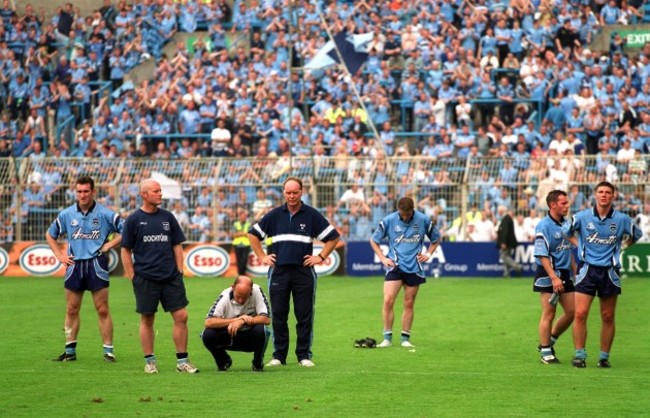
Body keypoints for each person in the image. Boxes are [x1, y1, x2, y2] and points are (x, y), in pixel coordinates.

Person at [247, 176, 340, 367]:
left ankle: (304, 355)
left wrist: (320, 257)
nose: (291, 196)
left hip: (303, 272)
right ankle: (279, 356)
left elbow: (333, 237)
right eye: (288, 192)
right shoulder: (274, 215)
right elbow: (253, 234)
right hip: (278, 272)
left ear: (301, 192)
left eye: (295, 192)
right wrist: (262, 256)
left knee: (304, 314)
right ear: (283, 193)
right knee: (279, 315)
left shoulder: (312, 215)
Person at [121, 179, 199, 374]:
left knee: (182, 316)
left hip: (171, 277)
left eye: (160, 190)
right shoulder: (133, 220)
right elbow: (125, 250)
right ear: (144, 195)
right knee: (147, 318)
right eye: (156, 191)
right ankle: (150, 362)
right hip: (145, 278)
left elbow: (176, 244)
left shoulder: (168, 217)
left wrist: (179, 269)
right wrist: (132, 276)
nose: (160, 194)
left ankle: (182, 362)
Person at [563, 181, 643, 368]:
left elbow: (636, 235)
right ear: (595, 195)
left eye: (608, 192)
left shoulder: (622, 219)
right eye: (601, 192)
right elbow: (566, 231)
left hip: (609, 272)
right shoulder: (582, 217)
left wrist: (622, 247)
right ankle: (579, 355)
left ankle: (604, 357)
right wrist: (579, 245)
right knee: (581, 313)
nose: (604, 195)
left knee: (607, 316)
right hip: (587, 270)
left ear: (613, 196)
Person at [45, 176, 123, 362]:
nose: (82, 195)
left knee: (102, 309)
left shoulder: (105, 214)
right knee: (72, 309)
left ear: (93, 192)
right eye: (79, 191)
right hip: (74, 265)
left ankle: (108, 351)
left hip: (96, 264)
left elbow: (126, 230)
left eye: (86, 191)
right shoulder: (66, 214)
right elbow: (50, 234)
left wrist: (108, 246)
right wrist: (59, 255)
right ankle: (70, 351)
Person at [369, 197, 441, 348]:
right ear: (398, 210)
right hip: (395, 266)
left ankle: (405, 338)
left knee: (409, 303)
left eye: (408, 214)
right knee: (388, 300)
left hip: (414, 267)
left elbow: (436, 238)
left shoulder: (423, 220)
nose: (405, 217)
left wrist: (428, 254)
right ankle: (387, 338)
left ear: (412, 210)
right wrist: (382, 258)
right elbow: (373, 240)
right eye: (402, 214)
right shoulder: (389, 220)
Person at [533, 190, 576, 364]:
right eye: (563, 203)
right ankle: (545, 352)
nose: (567, 206)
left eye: (567, 203)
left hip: (565, 273)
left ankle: (549, 341)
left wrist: (575, 269)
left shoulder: (566, 225)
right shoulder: (543, 225)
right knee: (549, 313)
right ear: (553, 205)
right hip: (548, 273)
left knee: (572, 313)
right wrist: (553, 277)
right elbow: (542, 255)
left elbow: (568, 251)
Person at [201, 276, 271, 372]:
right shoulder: (225, 296)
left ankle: (257, 362)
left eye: (245, 297)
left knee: (262, 330)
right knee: (207, 334)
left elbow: (266, 319)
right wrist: (236, 320)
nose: (241, 300)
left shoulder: (257, 291)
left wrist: (242, 321)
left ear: (251, 290)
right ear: (232, 287)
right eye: (238, 296)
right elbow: (208, 322)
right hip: (229, 336)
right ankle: (223, 361)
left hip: (249, 336)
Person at [497, 205, 523, 277]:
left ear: (501, 211)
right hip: (509, 242)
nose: (498, 212)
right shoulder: (508, 218)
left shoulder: (506, 219)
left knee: (504, 257)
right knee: (506, 256)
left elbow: (504, 231)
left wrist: (503, 242)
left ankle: (517, 267)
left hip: (506, 242)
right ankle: (506, 273)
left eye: (498, 211)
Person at [232, 208, 251, 276]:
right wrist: (244, 233)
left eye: (245, 216)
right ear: (239, 217)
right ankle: (241, 274)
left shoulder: (248, 224)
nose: (243, 218)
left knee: (244, 260)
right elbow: (233, 234)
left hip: (246, 244)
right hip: (237, 244)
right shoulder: (235, 224)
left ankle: (241, 274)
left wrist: (239, 233)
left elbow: (249, 234)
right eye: (242, 216)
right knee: (239, 260)